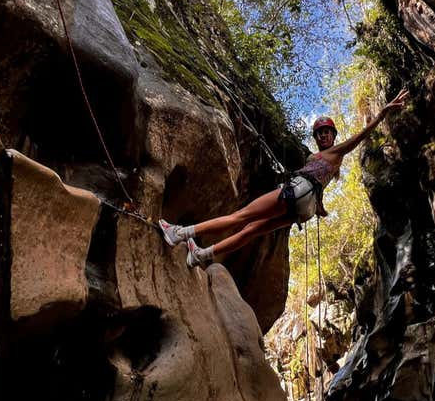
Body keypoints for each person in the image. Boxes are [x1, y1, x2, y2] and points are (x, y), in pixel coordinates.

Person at [159, 88, 409, 267]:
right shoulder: (319, 161)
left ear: (333, 136)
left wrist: (382, 114)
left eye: (327, 133)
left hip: (297, 193)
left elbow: (359, 138)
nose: (323, 136)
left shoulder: (336, 152)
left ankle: (179, 234)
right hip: (303, 207)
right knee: (249, 231)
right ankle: (201, 256)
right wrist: (319, 209)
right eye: (319, 133)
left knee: (240, 216)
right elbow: (318, 191)